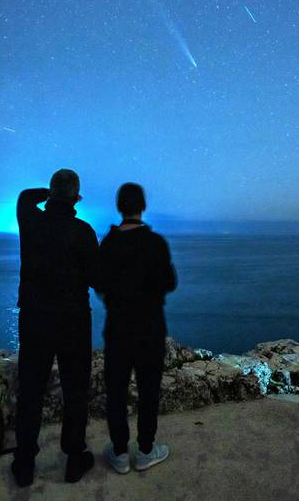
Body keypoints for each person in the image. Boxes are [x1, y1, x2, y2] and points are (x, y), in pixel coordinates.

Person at [12, 169, 99, 487]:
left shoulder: (30, 220)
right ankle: (74, 458)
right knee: (76, 390)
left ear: (51, 194)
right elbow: (97, 279)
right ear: (76, 198)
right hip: (74, 321)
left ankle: (24, 463)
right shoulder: (84, 232)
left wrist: (50, 193)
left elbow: (24, 196)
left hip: (34, 318)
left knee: (31, 390)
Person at [98, 182, 177, 474]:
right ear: (142, 206)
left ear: (120, 207)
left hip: (117, 329)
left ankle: (119, 453)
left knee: (116, 391)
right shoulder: (156, 243)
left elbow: (99, 283)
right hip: (150, 329)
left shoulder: (108, 243)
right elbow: (170, 283)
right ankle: (145, 450)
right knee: (148, 391)